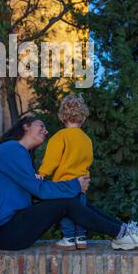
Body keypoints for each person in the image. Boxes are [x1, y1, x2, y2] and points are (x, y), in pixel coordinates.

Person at [0, 116, 138, 251]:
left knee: (73, 199)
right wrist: (75, 185)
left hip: (13, 229)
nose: (46, 131)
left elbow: (37, 192)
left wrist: (74, 189)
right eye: (41, 126)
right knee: (67, 200)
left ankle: (123, 231)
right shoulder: (11, 149)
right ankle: (122, 234)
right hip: (2, 232)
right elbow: (40, 191)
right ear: (26, 126)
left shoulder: (19, 154)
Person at [37, 94, 93, 250]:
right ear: (83, 117)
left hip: (64, 184)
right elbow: (88, 161)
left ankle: (68, 238)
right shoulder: (87, 139)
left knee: (66, 212)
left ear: (62, 116)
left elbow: (52, 160)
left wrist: (42, 173)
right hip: (81, 184)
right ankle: (81, 238)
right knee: (80, 211)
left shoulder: (59, 137)